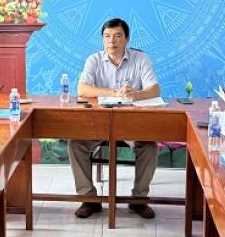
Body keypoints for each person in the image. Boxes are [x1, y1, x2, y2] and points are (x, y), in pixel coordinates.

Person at [69, 18, 161, 219]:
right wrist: (114, 92)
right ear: (102, 39)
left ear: (127, 39)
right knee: (76, 144)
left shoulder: (141, 59)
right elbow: (82, 89)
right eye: (107, 36)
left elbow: (154, 89)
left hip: (131, 124)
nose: (112, 41)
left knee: (149, 147)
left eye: (118, 36)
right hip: (99, 123)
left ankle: (138, 199)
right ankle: (89, 198)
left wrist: (136, 94)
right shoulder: (94, 59)